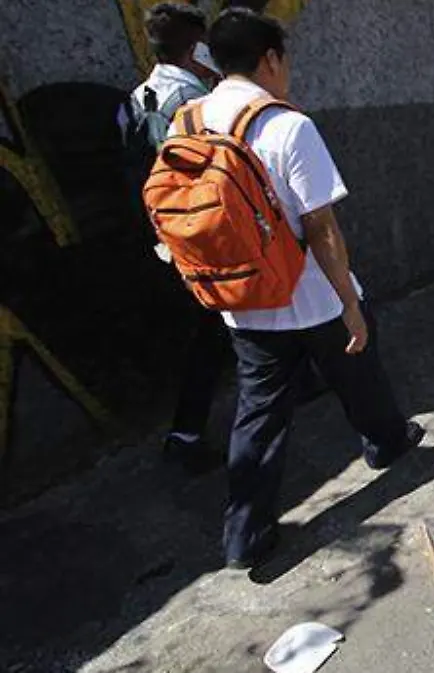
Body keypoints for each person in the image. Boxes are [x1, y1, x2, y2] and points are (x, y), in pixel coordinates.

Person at [192, 8, 422, 568]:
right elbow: (320, 227)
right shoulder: (286, 125)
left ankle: (244, 537)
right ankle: (386, 443)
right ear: (270, 58)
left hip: (242, 303)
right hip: (310, 297)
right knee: (358, 365)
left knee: (259, 413)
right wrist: (350, 303)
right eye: (284, 58)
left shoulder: (190, 119)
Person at [119, 2, 228, 475]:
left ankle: (303, 377)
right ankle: (186, 436)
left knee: (219, 332)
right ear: (194, 46)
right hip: (204, 240)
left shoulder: (134, 99)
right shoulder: (194, 104)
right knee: (215, 335)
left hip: (166, 239)